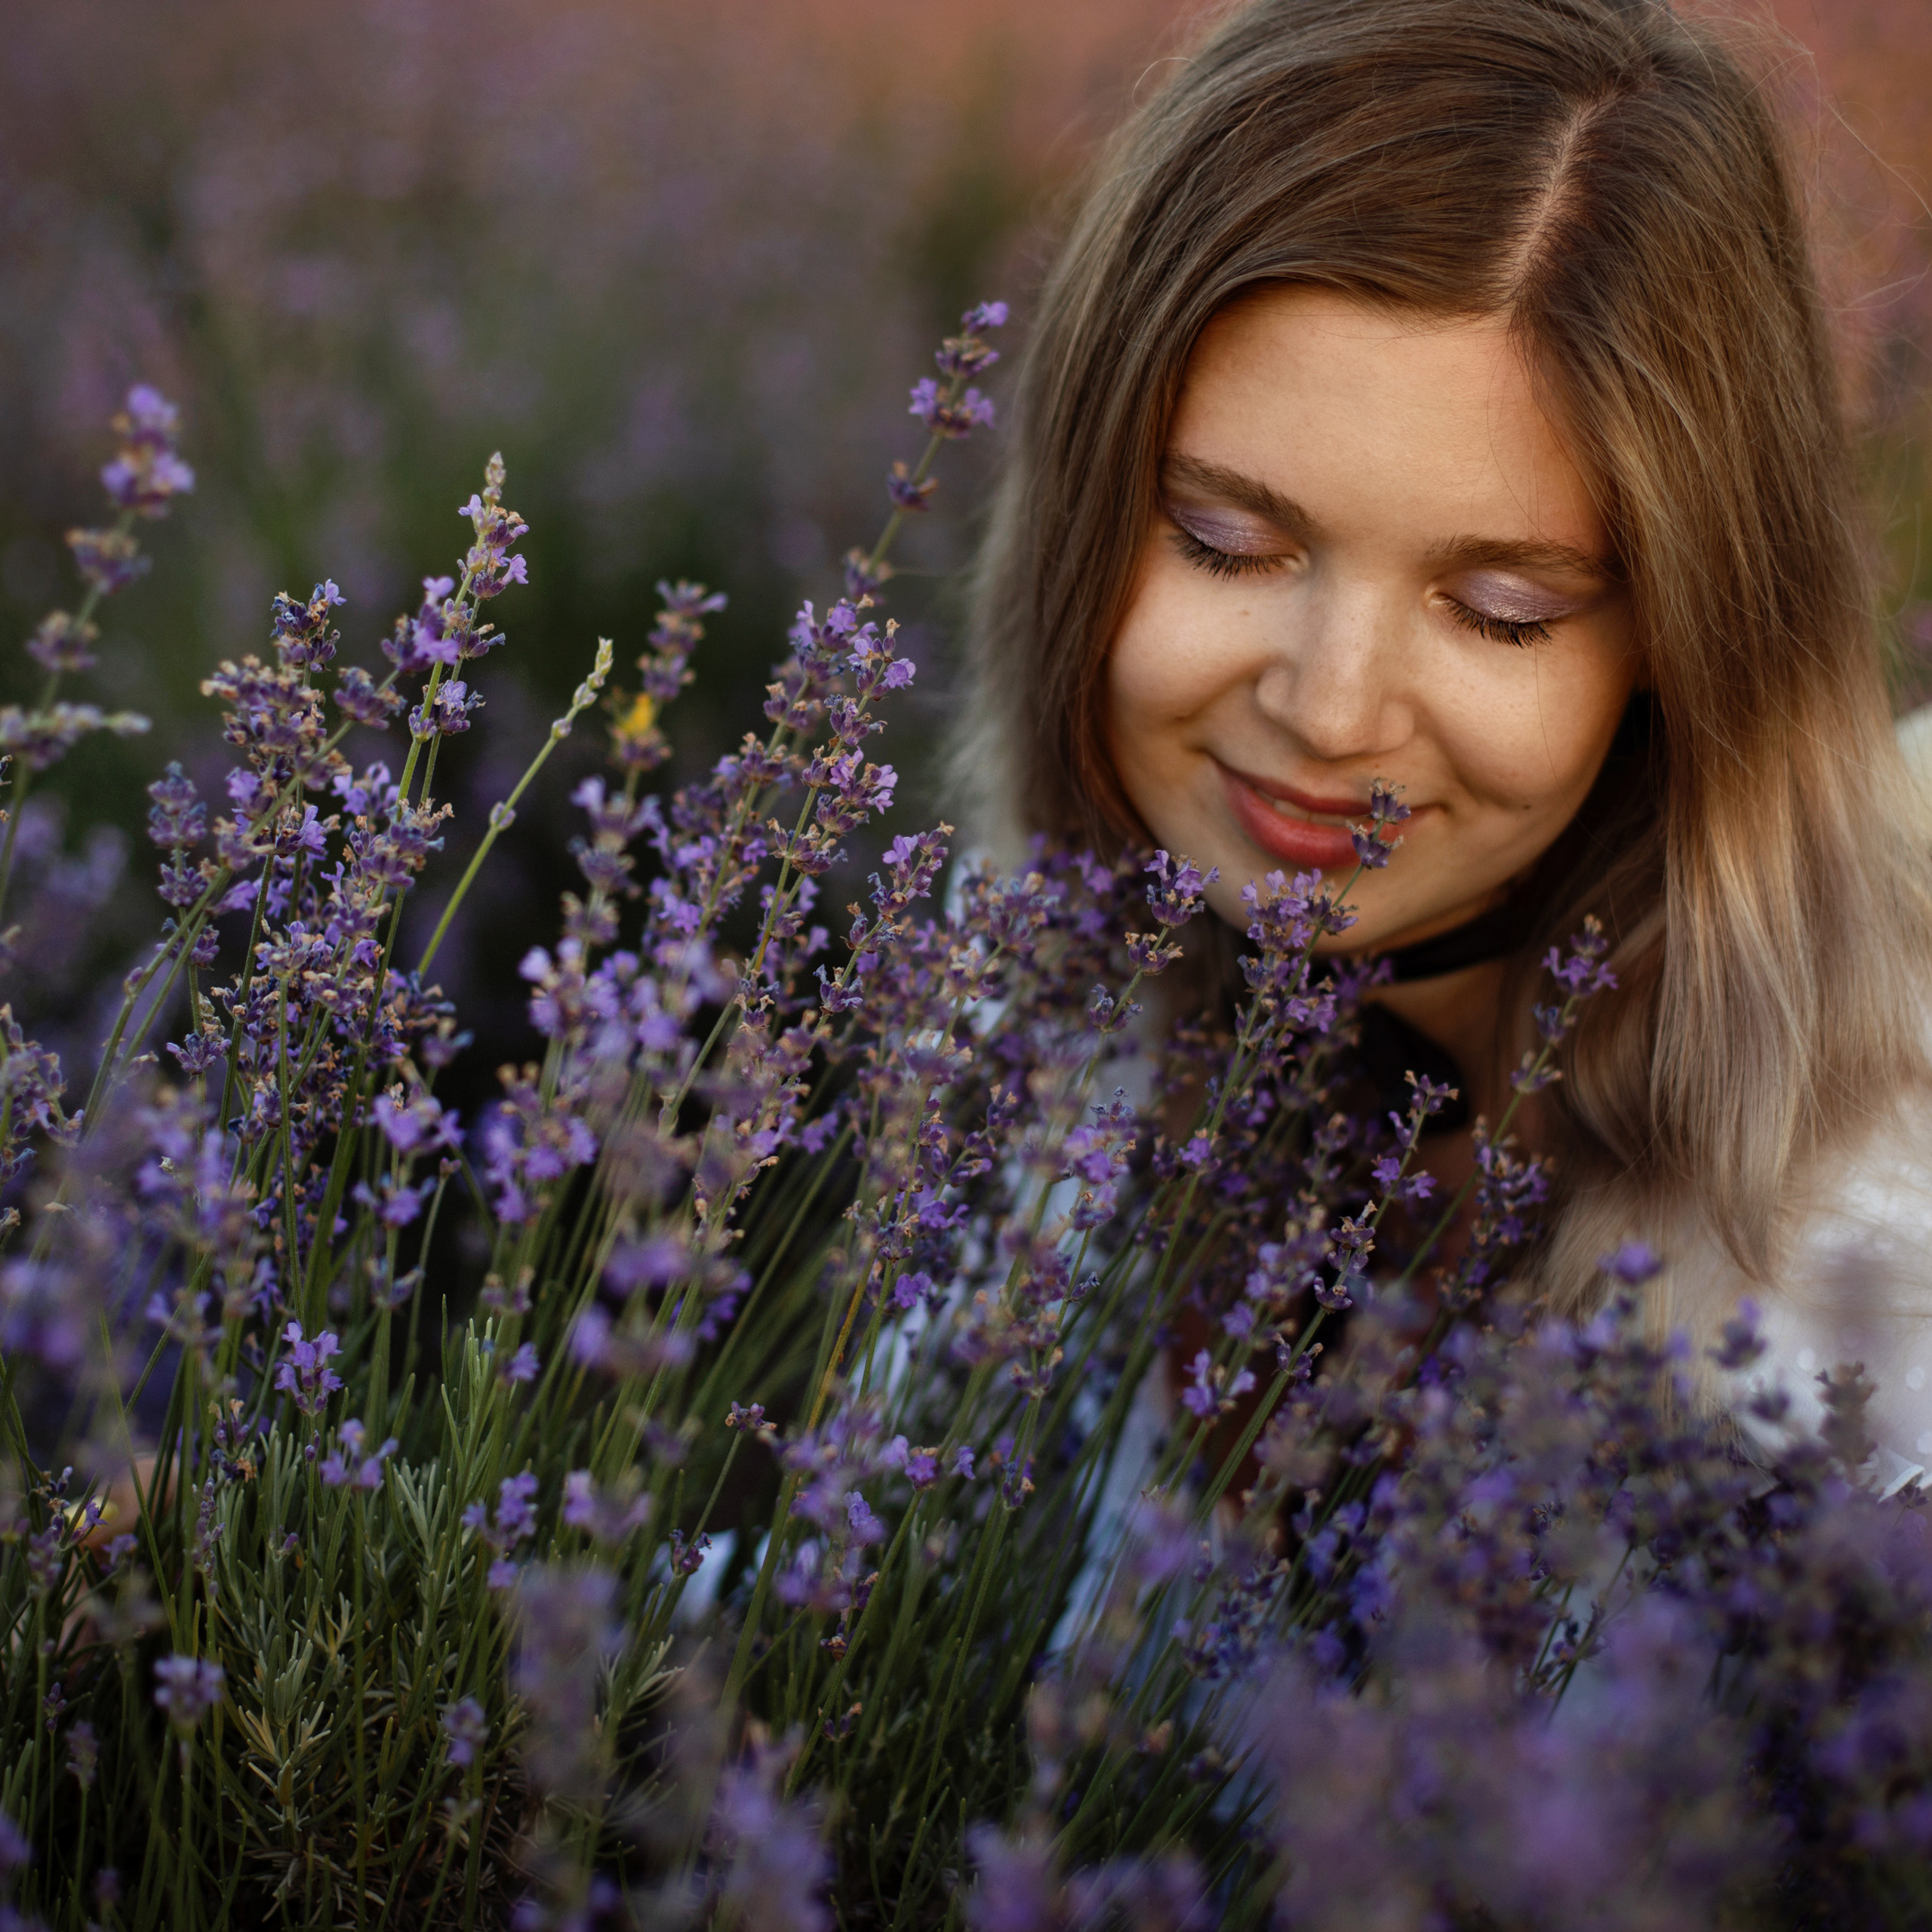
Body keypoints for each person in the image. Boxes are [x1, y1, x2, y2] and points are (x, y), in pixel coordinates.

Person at [954, 0, 1932, 1486]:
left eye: (1499, 609)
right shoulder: (1042, 1009)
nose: (1329, 711)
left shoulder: (1834, 1280)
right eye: (1224, 541)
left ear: (1686, 633)